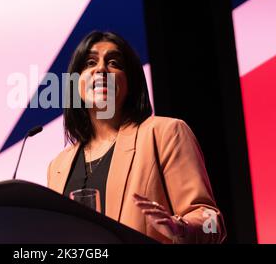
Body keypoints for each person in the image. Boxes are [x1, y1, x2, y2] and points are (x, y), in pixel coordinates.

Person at [47, 31, 226, 243]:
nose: (101, 68)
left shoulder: (165, 134)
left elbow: (213, 221)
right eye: (89, 62)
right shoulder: (58, 166)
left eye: (114, 63)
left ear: (130, 83)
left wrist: (180, 228)